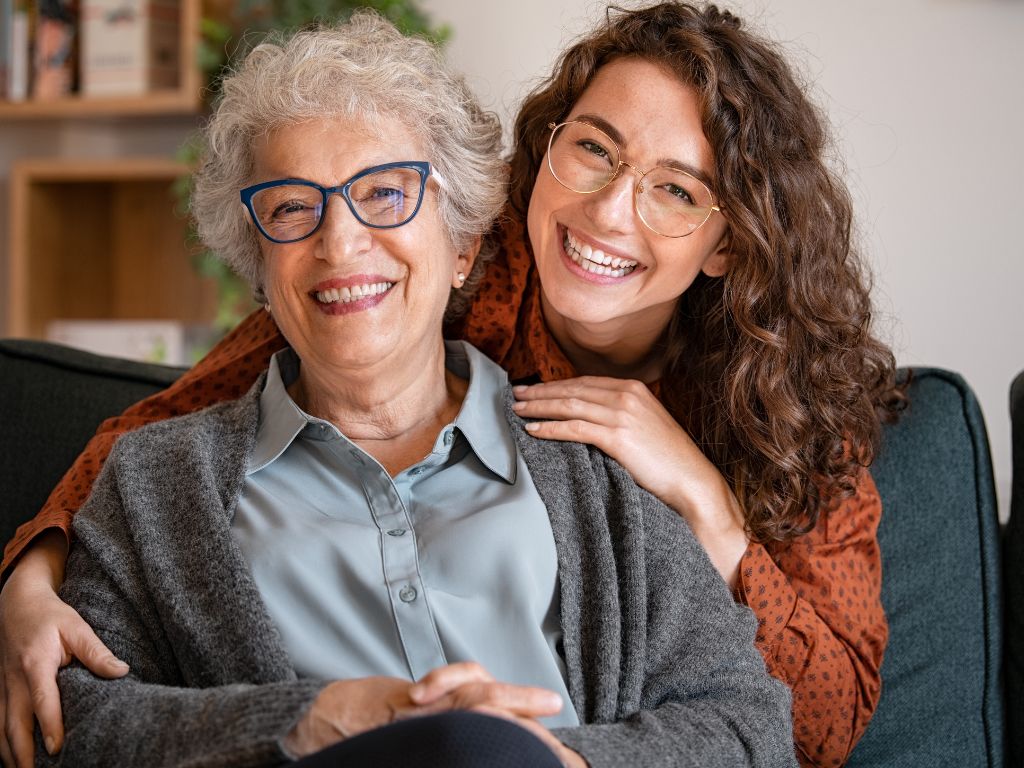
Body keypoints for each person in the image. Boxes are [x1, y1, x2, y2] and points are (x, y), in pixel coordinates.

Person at [0, 3, 900, 766]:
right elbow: (154, 442)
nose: (343, 243)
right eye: (594, 149)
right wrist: (31, 571)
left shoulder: (717, 443)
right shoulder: (176, 472)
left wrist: (705, 506)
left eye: (676, 190)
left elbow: (781, 725)